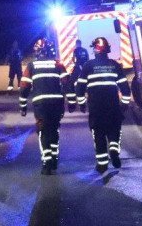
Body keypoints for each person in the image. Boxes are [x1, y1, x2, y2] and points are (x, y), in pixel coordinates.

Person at [75, 36, 132, 172]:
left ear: (94, 50)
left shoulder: (88, 66)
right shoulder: (115, 65)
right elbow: (125, 88)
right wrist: (124, 104)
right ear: (108, 50)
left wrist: (82, 103)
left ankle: (102, 164)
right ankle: (114, 149)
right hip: (113, 106)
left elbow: (80, 87)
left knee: (98, 134)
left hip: (96, 108)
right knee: (114, 130)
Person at [18, 37, 71, 175]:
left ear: (37, 51)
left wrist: (23, 105)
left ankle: (47, 162)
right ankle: (54, 158)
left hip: (41, 104)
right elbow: (67, 83)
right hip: (57, 103)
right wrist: (72, 101)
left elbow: (24, 87)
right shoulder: (58, 65)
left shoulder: (32, 66)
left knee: (43, 131)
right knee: (54, 129)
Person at [64, 38, 89, 112]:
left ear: (77, 44)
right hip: (85, 68)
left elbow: (74, 59)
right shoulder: (85, 50)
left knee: (71, 82)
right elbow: (87, 58)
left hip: (78, 68)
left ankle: (72, 103)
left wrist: (75, 63)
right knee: (85, 82)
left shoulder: (76, 50)